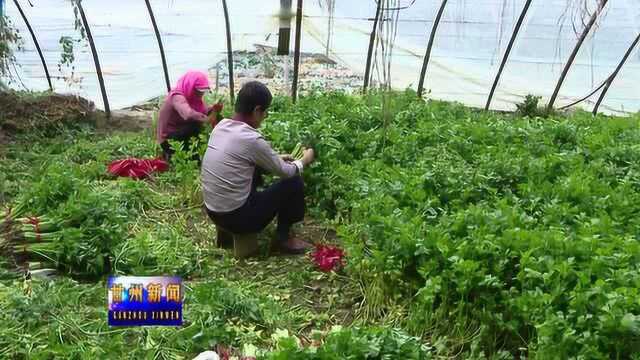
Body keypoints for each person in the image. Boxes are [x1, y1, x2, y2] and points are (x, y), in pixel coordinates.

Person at [201, 81, 316, 254]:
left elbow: (241, 156)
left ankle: (227, 235)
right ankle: (283, 239)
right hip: (237, 218)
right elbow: (286, 172)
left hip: (214, 211)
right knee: (293, 181)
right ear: (256, 111)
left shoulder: (221, 126)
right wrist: (305, 160)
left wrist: (275, 158)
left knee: (256, 168)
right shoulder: (251, 138)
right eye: (265, 111)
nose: (266, 116)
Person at [156, 70, 222, 161]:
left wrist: (213, 109)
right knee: (195, 126)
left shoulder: (194, 99)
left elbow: (202, 111)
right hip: (169, 140)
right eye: (198, 91)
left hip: (180, 133)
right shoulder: (177, 97)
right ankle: (184, 156)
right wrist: (207, 119)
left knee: (214, 119)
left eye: (202, 91)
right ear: (190, 86)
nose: (200, 94)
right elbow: (188, 114)